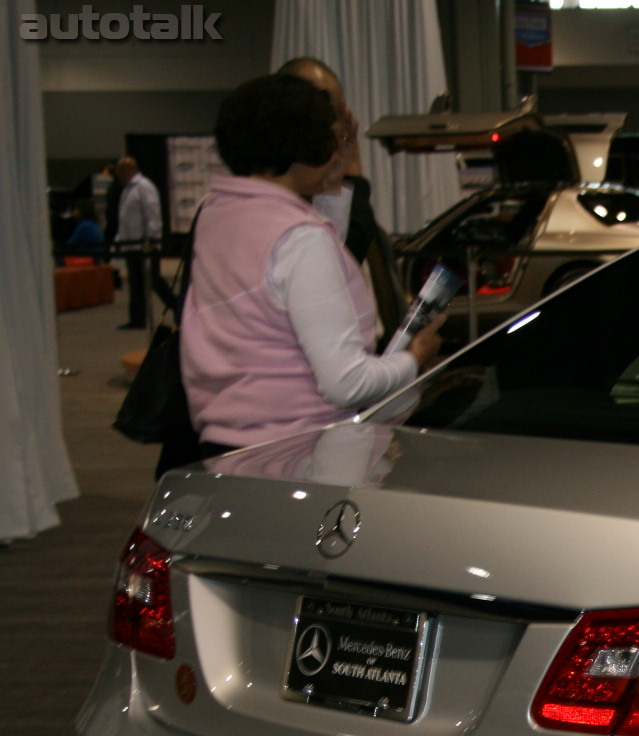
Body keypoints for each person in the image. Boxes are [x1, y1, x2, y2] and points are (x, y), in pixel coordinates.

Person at [171, 74, 443, 475]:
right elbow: (346, 384)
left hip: (229, 448)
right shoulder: (299, 239)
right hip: (303, 456)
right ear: (306, 144)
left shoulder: (219, 212)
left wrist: (329, 180)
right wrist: (414, 359)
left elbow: (307, 244)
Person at [277, 56, 405, 339]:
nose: (334, 129)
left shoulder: (338, 203)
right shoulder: (273, 215)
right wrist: (352, 175)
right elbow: (338, 270)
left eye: (336, 113)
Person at [114, 156, 170, 329]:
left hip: (145, 245)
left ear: (127, 170)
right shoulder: (128, 189)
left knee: (152, 280)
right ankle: (138, 318)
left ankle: (176, 305)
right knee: (136, 282)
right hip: (131, 244)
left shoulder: (144, 187)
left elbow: (152, 213)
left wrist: (153, 237)